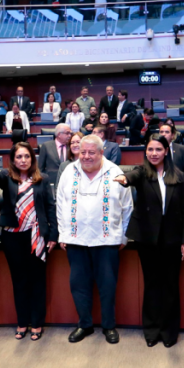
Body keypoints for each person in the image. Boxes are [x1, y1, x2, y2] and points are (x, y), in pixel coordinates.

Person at [115, 135, 184, 347]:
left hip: (172, 239)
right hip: (147, 239)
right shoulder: (142, 172)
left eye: (158, 149)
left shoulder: (178, 176)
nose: (154, 153)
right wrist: (124, 179)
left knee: (170, 286)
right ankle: (151, 330)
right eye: (150, 149)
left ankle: (169, 332)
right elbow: (130, 176)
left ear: (166, 151)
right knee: (151, 285)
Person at [56, 135, 133, 344]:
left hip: (107, 240)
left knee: (107, 286)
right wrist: (63, 233)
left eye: (91, 152)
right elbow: (61, 204)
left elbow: (127, 207)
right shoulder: (69, 172)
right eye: (83, 152)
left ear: (101, 153)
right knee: (79, 286)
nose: (86, 157)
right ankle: (84, 325)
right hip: (75, 239)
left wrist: (124, 236)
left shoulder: (115, 172)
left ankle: (109, 326)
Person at [0, 143, 57, 341]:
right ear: (13, 160)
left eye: (26, 156)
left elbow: (50, 208)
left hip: (36, 235)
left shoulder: (42, 180)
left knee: (37, 281)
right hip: (13, 237)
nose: (23, 160)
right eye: (19, 157)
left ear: (32, 159)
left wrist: (53, 236)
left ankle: (37, 323)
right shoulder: (7, 179)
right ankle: (22, 322)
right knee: (19, 281)